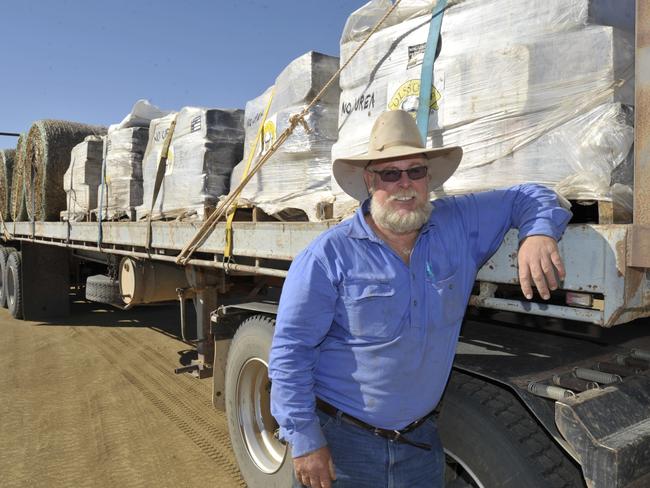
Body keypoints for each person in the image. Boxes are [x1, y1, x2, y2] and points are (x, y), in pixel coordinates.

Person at [268, 109, 571, 488]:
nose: (404, 184)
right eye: (390, 173)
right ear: (369, 180)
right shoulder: (327, 257)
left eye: (416, 171)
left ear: (429, 178)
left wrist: (538, 234)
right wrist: (305, 442)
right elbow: (290, 352)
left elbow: (531, 194)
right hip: (343, 447)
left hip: (421, 447)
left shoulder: (457, 224)